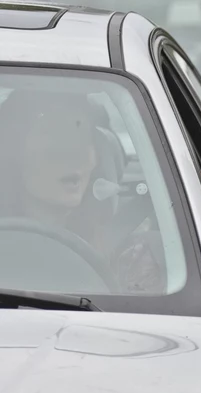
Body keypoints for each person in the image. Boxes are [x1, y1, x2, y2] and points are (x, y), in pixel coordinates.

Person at [0, 89, 162, 293]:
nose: (75, 157)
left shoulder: (131, 259)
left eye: (83, 141)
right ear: (12, 157)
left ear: (96, 159)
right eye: (56, 144)